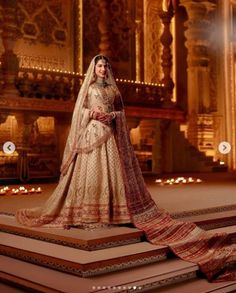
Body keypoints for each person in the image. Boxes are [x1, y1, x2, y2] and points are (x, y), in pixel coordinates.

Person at [16, 55, 236, 281]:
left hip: (110, 135)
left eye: (105, 66)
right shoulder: (89, 88)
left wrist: (112, 115)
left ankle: (113, 211)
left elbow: (121, 112)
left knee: (112, 174)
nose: (102, 69)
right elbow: (79, 111)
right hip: (92, 134)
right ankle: (90, 212)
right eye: (99, 66)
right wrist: (91, 114)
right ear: (94, 68)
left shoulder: (114, 90)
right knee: (91, 173)